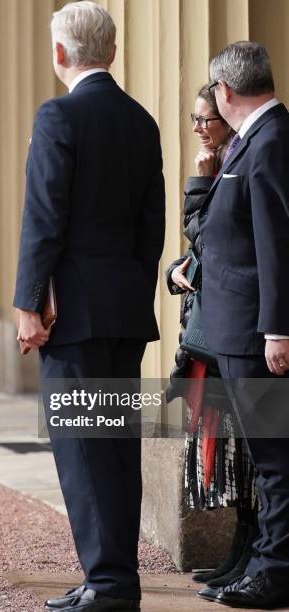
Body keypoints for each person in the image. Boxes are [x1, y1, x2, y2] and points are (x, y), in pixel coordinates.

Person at [14, 3, 165, 611]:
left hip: (72, 315)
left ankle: (108, 582)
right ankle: (113, 578)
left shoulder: (58, 114)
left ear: (59, 55)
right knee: (114, 447)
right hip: (123, 309)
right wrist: (131, 288)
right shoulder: (142, 120)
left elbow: (44, 218)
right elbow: (150, 227)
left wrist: (28, 302)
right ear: (113, 51)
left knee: (82, 448)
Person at [199, 42, 289, 609]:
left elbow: (277, 243)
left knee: (276, 457)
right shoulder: (256, 138)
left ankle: (275, 571)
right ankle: (264, 561)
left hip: (258, 333)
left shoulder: (271, 140)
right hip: (240, 327)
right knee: (267, 456)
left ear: (224, 92)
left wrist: (278, 328)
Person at [165, 84, 258, 594]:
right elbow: (197, 250)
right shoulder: (225, 169)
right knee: (232, 461)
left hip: (237, 335)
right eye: (195, 119)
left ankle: (250, 556)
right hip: (211, 335)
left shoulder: (235, 170)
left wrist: (197, 184)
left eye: (207, 120)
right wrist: (176, 271)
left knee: (246, 460)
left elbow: (210, 241)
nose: (198, 128)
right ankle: (239, 552)